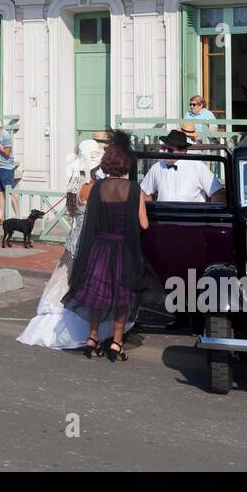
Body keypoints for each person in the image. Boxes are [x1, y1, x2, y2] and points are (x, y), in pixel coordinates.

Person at [62, 144, 155, 362]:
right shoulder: (134, 189)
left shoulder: (98, 187)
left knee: (97, 295)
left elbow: (90, 222)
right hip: (123, 250)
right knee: (123, 297)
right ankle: (116, 342)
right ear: (126, 164)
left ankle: (92, 339)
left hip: (100, 249)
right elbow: (144, 224)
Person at [17, 139, 110, 350]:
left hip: (75, 238)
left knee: (66, 280)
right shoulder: (97, 184)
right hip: (93, 239)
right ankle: (88, 328)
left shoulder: (75, 183)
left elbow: (73, 211)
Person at [140, 129, 226, 203]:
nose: (165, 152)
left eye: (170, 150)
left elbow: (218, 193)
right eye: (163, 148)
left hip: (191, 219)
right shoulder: (157, 167)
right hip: (163, 218)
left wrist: (209, 216)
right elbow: (144, 192)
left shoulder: (198, 167)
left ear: (183, 150)